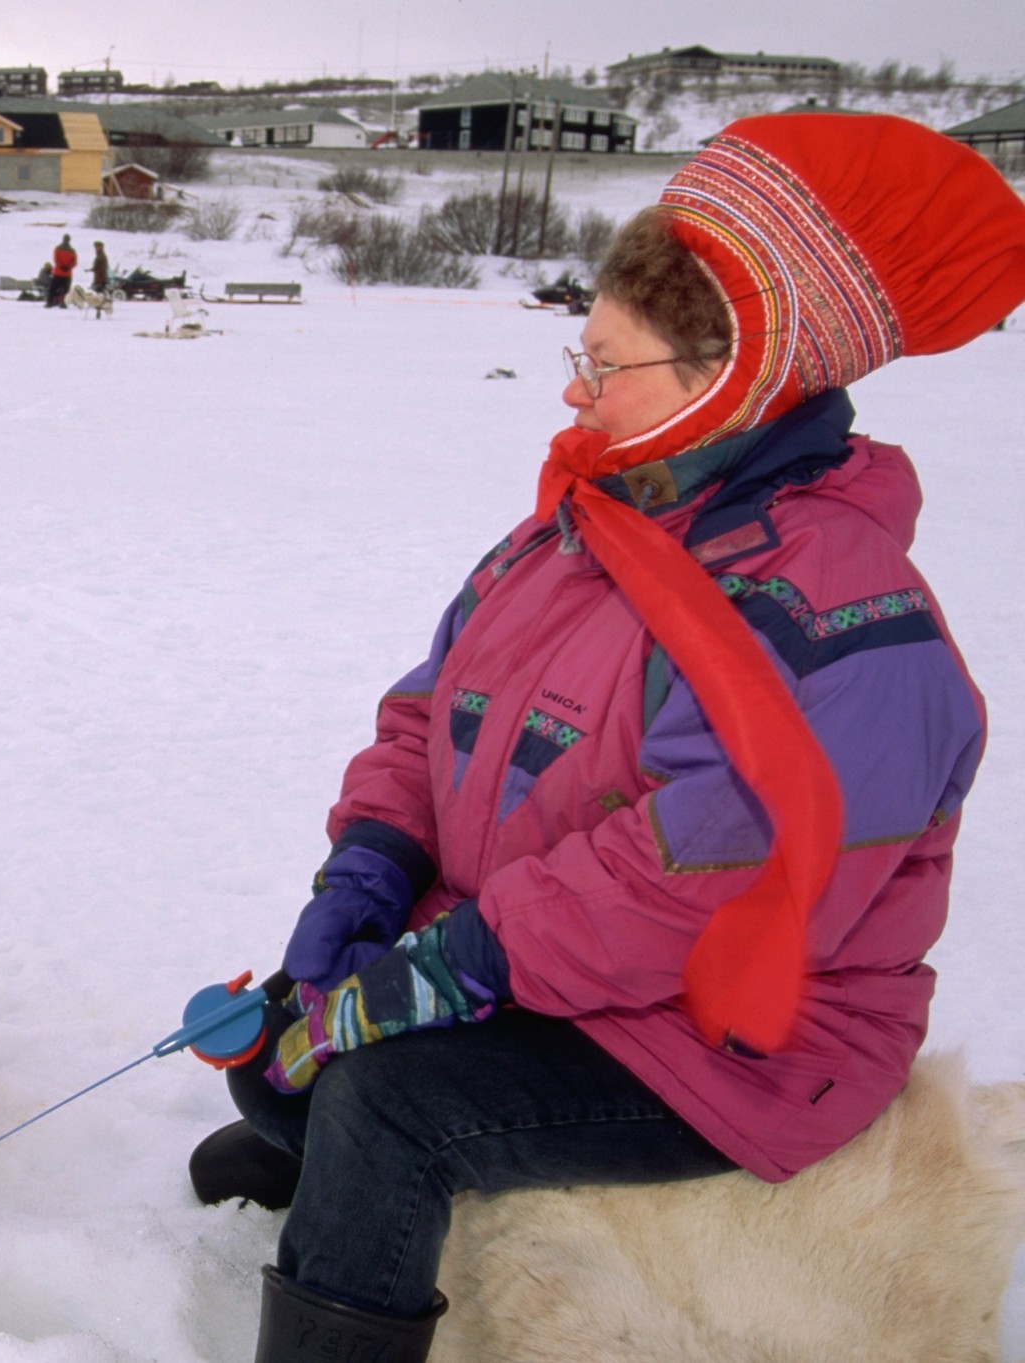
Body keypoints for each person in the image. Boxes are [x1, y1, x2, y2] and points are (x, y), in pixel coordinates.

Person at [188, 114, 1025, 1363]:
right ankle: (342, 1152)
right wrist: (364, 868)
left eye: (606, 365)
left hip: (730, 1032)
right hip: (544, 956)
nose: (574, 393)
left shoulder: (841, 615)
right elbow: (428, 711)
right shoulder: (578, 526)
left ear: (724, 380)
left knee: (381, 1101)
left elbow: (701, 874)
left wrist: (455, 966)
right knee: (283, 1033)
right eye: (575, 356)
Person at [46, 233, 76, 309]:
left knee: (52, 288)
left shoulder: (58, 248)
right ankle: (64, 303)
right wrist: (68, 267)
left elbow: (56, 259)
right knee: (65, 290)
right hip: (67, 274)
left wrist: (61, 266)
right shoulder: (72, 251)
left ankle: (50, 302)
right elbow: (74, 262)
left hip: (58, 272)